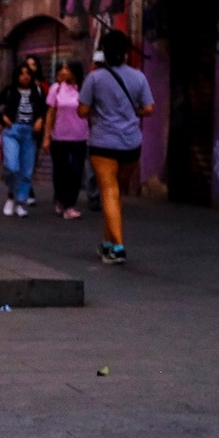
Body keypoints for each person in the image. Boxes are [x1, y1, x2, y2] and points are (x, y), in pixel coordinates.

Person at [78, 29, 154, 264]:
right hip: (131, 143)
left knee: (108, 192)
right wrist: (134, 111)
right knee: (116, 194)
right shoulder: (139, 77)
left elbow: (82, 111)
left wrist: (98, 109)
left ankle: (119, 247)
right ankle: (108, 243)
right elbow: (149, 109)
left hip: (103, 143)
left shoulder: (94, 78)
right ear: (126, 52)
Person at [0, 63, 48, 217]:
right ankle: (10, 196)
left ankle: (20, 202)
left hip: (30, 133)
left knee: (27, 171)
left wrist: (40, 119)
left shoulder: (38, 91)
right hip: (12, 132)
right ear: (16, 76)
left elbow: (45, 109)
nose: (25, 76)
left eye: (27, 73)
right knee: (12, 166)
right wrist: (3, 117)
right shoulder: (10, 91)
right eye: (21, 73)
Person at [46, 60, 88, 219]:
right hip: (59, 137)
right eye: (62, 68)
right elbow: (50, 113)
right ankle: (60, 200)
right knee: (60, 171)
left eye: (66, 68)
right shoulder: (56, 89)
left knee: (76, 170)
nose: (63, 71)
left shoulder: (83, 90)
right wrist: (46, 137)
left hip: (79, 137)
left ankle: (70, 204)